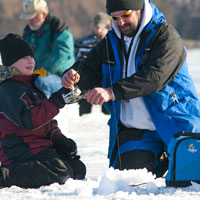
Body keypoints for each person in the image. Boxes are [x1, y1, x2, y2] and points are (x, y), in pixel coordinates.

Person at [62, 0, 200, 179]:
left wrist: (112, 91)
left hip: (176, 125)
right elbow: (88, 68)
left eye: (125, 15)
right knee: (128, 183)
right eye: (115, 17)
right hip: (137, 133)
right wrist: (72, 77)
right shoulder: (111, 42)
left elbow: (154, 77)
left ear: (140, 8)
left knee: (187, 183)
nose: (120, 23)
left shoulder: (166, 37)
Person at [0, 33, 86, 189]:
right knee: (59, 170)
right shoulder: (8, 89)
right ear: (11, 63)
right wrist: (57, 101)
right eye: (24, 57)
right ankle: (5, 176)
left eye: (31, 57)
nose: (30, 61)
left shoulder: (31, 87)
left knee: (78, 169)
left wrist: (60, 140)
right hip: (19, 151)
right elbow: (29, 120)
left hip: (39, 148)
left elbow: (48, 123)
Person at [19, 0, 75, 98]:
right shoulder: (28, 33)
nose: (29, 20)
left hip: (61, 78)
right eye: (28, 17)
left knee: (40, 83)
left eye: (32, 16)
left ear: (43, 14)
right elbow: (22, 56)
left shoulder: (58, 28)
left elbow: (62, 55)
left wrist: (44, 71)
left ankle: (42, 111)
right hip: (35, 76)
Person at [75, 12, 111, 116]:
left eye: (102, 27)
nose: (99, 30)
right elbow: (78, 62)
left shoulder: (114, 43)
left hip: (107, 81)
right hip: (88, 81)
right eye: (96, 27)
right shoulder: (83, 43)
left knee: (108, 112)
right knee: (84, 110)